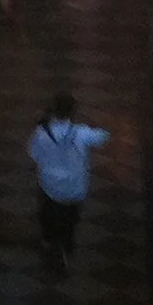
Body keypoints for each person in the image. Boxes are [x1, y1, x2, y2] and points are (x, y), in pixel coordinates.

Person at [27, 91, 111, 272]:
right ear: (73, 112)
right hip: (75, 187)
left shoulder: (42, 132)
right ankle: (66, 244)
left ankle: (48, 240)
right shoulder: (81, 133)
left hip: (50, 185)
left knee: (47, 211)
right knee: (70, 217)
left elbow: (34, 155)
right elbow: (103, 137)